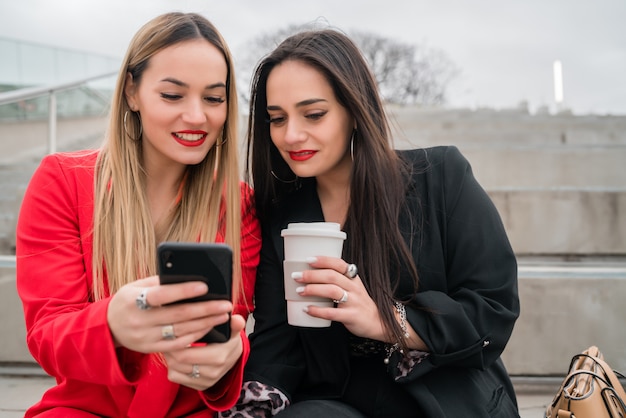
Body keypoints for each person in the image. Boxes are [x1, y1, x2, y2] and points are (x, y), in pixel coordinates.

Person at [225, 29, 520, 417]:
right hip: (339, 405)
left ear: (354, 108)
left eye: (313, 114)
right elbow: (277, 347)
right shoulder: (282, 218)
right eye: (276, 119)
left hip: (447, 399)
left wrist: (387, 319)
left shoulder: (441, 177)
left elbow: (492, 309)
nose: (291, 135)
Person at [16, 12, 261, 417]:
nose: (198, 116)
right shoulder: (62, 181)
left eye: (214, 98)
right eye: (172, 95)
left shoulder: (239, 205)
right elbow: (46, 335)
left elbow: (229, 326)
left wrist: (227, 359)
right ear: (132, 92)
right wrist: (110, 323)